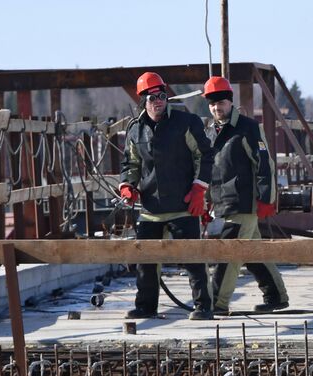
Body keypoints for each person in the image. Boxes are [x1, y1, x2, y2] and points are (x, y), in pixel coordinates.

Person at [119, 71, 214, 320]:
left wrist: (199, 188)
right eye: (152, 98)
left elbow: (204, 155)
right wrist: (128, 186)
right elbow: (131, 164)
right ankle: (145, 306)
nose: (158, 101)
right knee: (146, 262)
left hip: (183, 204)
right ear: (143, 101)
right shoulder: (136, 130)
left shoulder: (186, 123)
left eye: (161, 96)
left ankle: (203, 306)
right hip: (150, 209)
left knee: (192, 258)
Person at [203, 76, 289, 313]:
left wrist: (266, 198)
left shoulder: (247, 128)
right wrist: (207, 200)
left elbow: (265, 164)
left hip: (244, 202)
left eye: (220, 102)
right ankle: (276, 296)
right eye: (211, 103)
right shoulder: (211, 132)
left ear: (230, 102)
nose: (216, 107)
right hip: (225, 202)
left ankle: (216, 304)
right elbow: (212, 169)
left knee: (229, 252)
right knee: (252, 251)